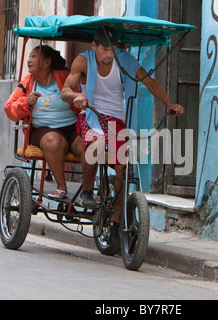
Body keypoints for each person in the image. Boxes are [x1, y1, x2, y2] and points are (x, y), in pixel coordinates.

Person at [61, 27, 184, 226]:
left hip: (116, 122)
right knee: (96, 144)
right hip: (91, 115)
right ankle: (86, 191)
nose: (110, 55)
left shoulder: (124, 60)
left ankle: (117, 219)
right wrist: (77, 95)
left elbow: (150, 82)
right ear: (94, 46)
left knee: (123, 167)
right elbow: (65, 91)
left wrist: (169, 104)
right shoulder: (83, 61)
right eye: (105, 50)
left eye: (113, 50)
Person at [5, 45, 83, 199]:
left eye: (34, 56)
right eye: (29, 57)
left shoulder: (63, 76)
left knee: (89, 144)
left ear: (47, 62)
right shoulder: (27, 82)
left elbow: (80, 96)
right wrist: (26, 102)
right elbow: (9, 110)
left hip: (73, 127)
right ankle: (61, 187)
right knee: (52, 141)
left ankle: (87, 191)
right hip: (43, 130)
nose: (29, 60)